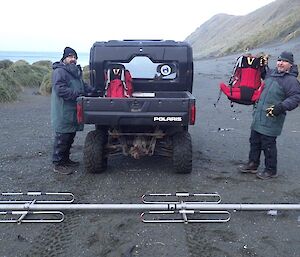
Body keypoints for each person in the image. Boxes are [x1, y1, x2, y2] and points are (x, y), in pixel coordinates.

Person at [239, 51, 300, 179]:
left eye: (284, 61)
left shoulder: (291, 81)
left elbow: (295, 98)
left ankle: (271, 170)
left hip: (272, 117)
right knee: (254, 141)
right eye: (279, 60)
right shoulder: (272, 73)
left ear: (290, 64)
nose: (280, 63)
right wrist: (260, 65)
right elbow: (262, 75)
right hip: (259, 115)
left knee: (268, 145)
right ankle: (253, 164)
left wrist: (281, 107)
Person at [51, 47, 92, 175]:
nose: (73, 59)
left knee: (70, 136)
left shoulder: (75, 72)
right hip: (64, 110)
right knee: (62, 137)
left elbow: (83, 86)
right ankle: (58, 164)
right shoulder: (60, 72)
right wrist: (77, 94)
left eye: (74, 57)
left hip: (74, 110)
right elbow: (60, 89)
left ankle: (66, 160)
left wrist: (93, 91)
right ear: (64, 58)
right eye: (70, 57)